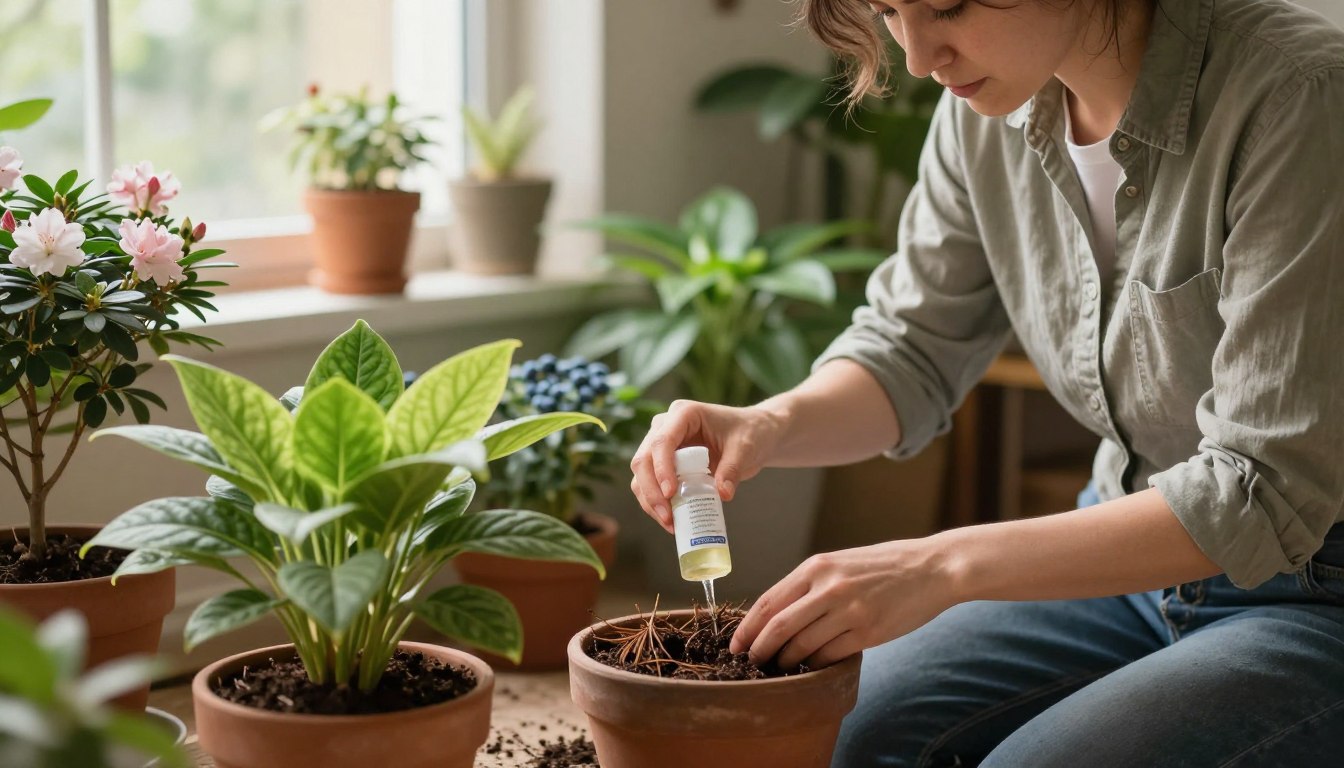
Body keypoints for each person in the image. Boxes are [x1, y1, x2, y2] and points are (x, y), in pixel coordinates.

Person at [627, 0, 1344, 764]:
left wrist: (938, 565)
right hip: (1127, 561)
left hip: (1313, 590)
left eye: (948, 7)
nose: (918, 57)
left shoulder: (1299, 98)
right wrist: (768, 423)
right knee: (836, 730)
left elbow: (1262, 487)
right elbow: (911, 347)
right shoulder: (987, 107)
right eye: (889, 11)